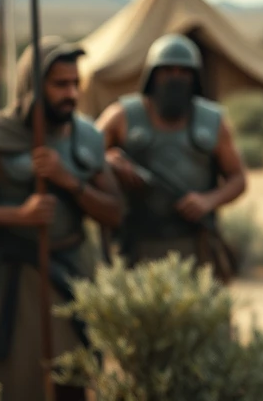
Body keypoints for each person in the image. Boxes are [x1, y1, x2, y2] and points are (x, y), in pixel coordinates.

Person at [0, 38, 124, 401]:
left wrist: (70, 181)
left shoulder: (86, 137)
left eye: (74, 83)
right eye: (59, 85)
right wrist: (17, 215)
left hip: (67, 275)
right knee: (3, 385)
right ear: (32, 87)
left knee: (71, 380)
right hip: (6, 282)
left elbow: (113, 212)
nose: (71, 93)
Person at [97, 34, 246, 281]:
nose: (175, 78)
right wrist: (108, 160)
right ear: (152, 75)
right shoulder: (121, 116)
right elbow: (84, 152)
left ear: (195, 78)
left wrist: (208, 201)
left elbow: (238, 178)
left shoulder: (213, 122)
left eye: (183, 72)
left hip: (194, 242)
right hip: (135, 242)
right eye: (167, 71)